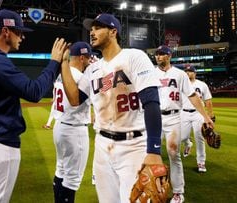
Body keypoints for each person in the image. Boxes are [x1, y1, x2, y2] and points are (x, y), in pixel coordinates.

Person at [0, 9, 68, 203]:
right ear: (6, 31)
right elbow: (34, 92)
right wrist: (53, 63)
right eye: (19, 31)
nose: (23, 36)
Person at [61, 13, 164, 203]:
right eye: (91, 29)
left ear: (113, 32)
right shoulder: (92, 69)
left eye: (98, 28)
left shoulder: (133, 56)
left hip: (133, 145)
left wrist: (154, 150)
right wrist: (63, 63)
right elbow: (75, 99)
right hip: (102, 146)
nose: (92, 32)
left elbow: (151, 102)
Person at [154, 45, 214, 203]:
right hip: (154, 118)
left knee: (173, 153)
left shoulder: (180, 75)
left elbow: (193, 96)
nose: (158, 57)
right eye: (157, 54)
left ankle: (178, 192)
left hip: (174, 117)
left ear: (169, 56)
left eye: (162, 54)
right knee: (152, 154)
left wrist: (206, 117)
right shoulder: (151, 73)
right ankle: (153, 190)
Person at [52, 41, 93, 203]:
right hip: (74, 131)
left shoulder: (62, 74)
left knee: (61, 170)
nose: (90, 60)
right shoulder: (81, 78)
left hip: (60, 127)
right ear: (82, 57)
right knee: (72, 180)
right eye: (88, 57)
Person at [180, 65, 214, 173]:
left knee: (199, 138)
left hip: (198, 114)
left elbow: (208, 100)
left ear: (195, 73)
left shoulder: (202, 85)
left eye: (190, 71)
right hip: (183, 113)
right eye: (186, 71)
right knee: (182, 137)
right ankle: (188, 143)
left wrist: (210, 115)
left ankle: (201, 162)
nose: (187, 73)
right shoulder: (180, 84)